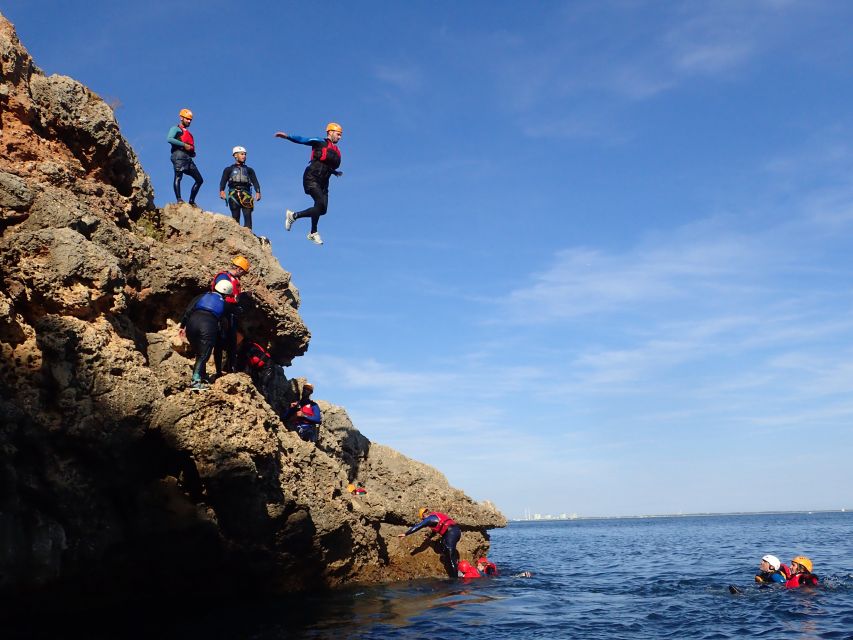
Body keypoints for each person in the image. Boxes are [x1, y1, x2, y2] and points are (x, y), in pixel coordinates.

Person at [274, 122, 344, 245]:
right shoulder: (320, 142)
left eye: (340, 135)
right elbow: (303, 139)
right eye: (338, 134)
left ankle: (293, 216)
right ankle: (313, 232)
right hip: (312, 177)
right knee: (319, 203)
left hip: (324, 182)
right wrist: (287, 136)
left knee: (322, 210)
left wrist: (334, 172)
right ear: (330, 132)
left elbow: (327, 164)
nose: (340, 137)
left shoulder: (336, 151)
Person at [179, 279, 238, 390]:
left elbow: (188, 310)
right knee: (203, 354)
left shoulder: (201, 296)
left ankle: (202, 375)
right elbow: (233, 315)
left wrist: (182, 326)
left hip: (192, 323)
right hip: (207, 325)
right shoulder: (225, 304)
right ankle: (195, 381)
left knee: (198, 352)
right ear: (226, 294)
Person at [211, 256, 250, 373]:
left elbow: (234, 297)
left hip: (231, 313)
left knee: (232, 342)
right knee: (219, 341)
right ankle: (218, 370)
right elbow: (221, 294)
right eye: (243, 272)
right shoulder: (223, 277)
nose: (243, 275)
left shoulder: (234, 280)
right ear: (239, 269)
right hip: (222, 311)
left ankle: (231, 368)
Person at [397, 508, 462, 575]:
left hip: (451, 533)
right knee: (444, 549)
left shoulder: (429, 519)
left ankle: (455, 578)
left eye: (423, 519)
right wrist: (429, 537)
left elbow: (418, 526)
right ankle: (457, 570)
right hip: (456, 532)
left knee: (450, 556)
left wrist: (406, 534)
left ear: (423, 516)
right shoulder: (434, 517)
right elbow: (435, 531)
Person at [166, 108, 203, 206]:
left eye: (190, 119)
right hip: (178, 155)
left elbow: (189, 145)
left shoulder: (188, 133)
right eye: (187, 119)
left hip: (187, 158)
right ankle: (179, 199)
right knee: (178, 176)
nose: (189, 121)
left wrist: (192, 152)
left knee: (199, 180)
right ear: (181, 118)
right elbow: (169, 139)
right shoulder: (176, 128)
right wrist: (184, 145)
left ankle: (191, 201)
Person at [219, 146, 261, 231]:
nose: (244, 156)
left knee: (248, 215)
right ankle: (235, 234)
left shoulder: (249, 170)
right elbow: (223, 181)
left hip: (246, 195)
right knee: (235, 217)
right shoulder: (228, 169)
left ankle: (248, 233)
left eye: (245, 154)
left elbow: (255, 182)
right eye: (242, 154)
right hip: (233, 194)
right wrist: (221, 191)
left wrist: (258, 192)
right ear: (235, 155)